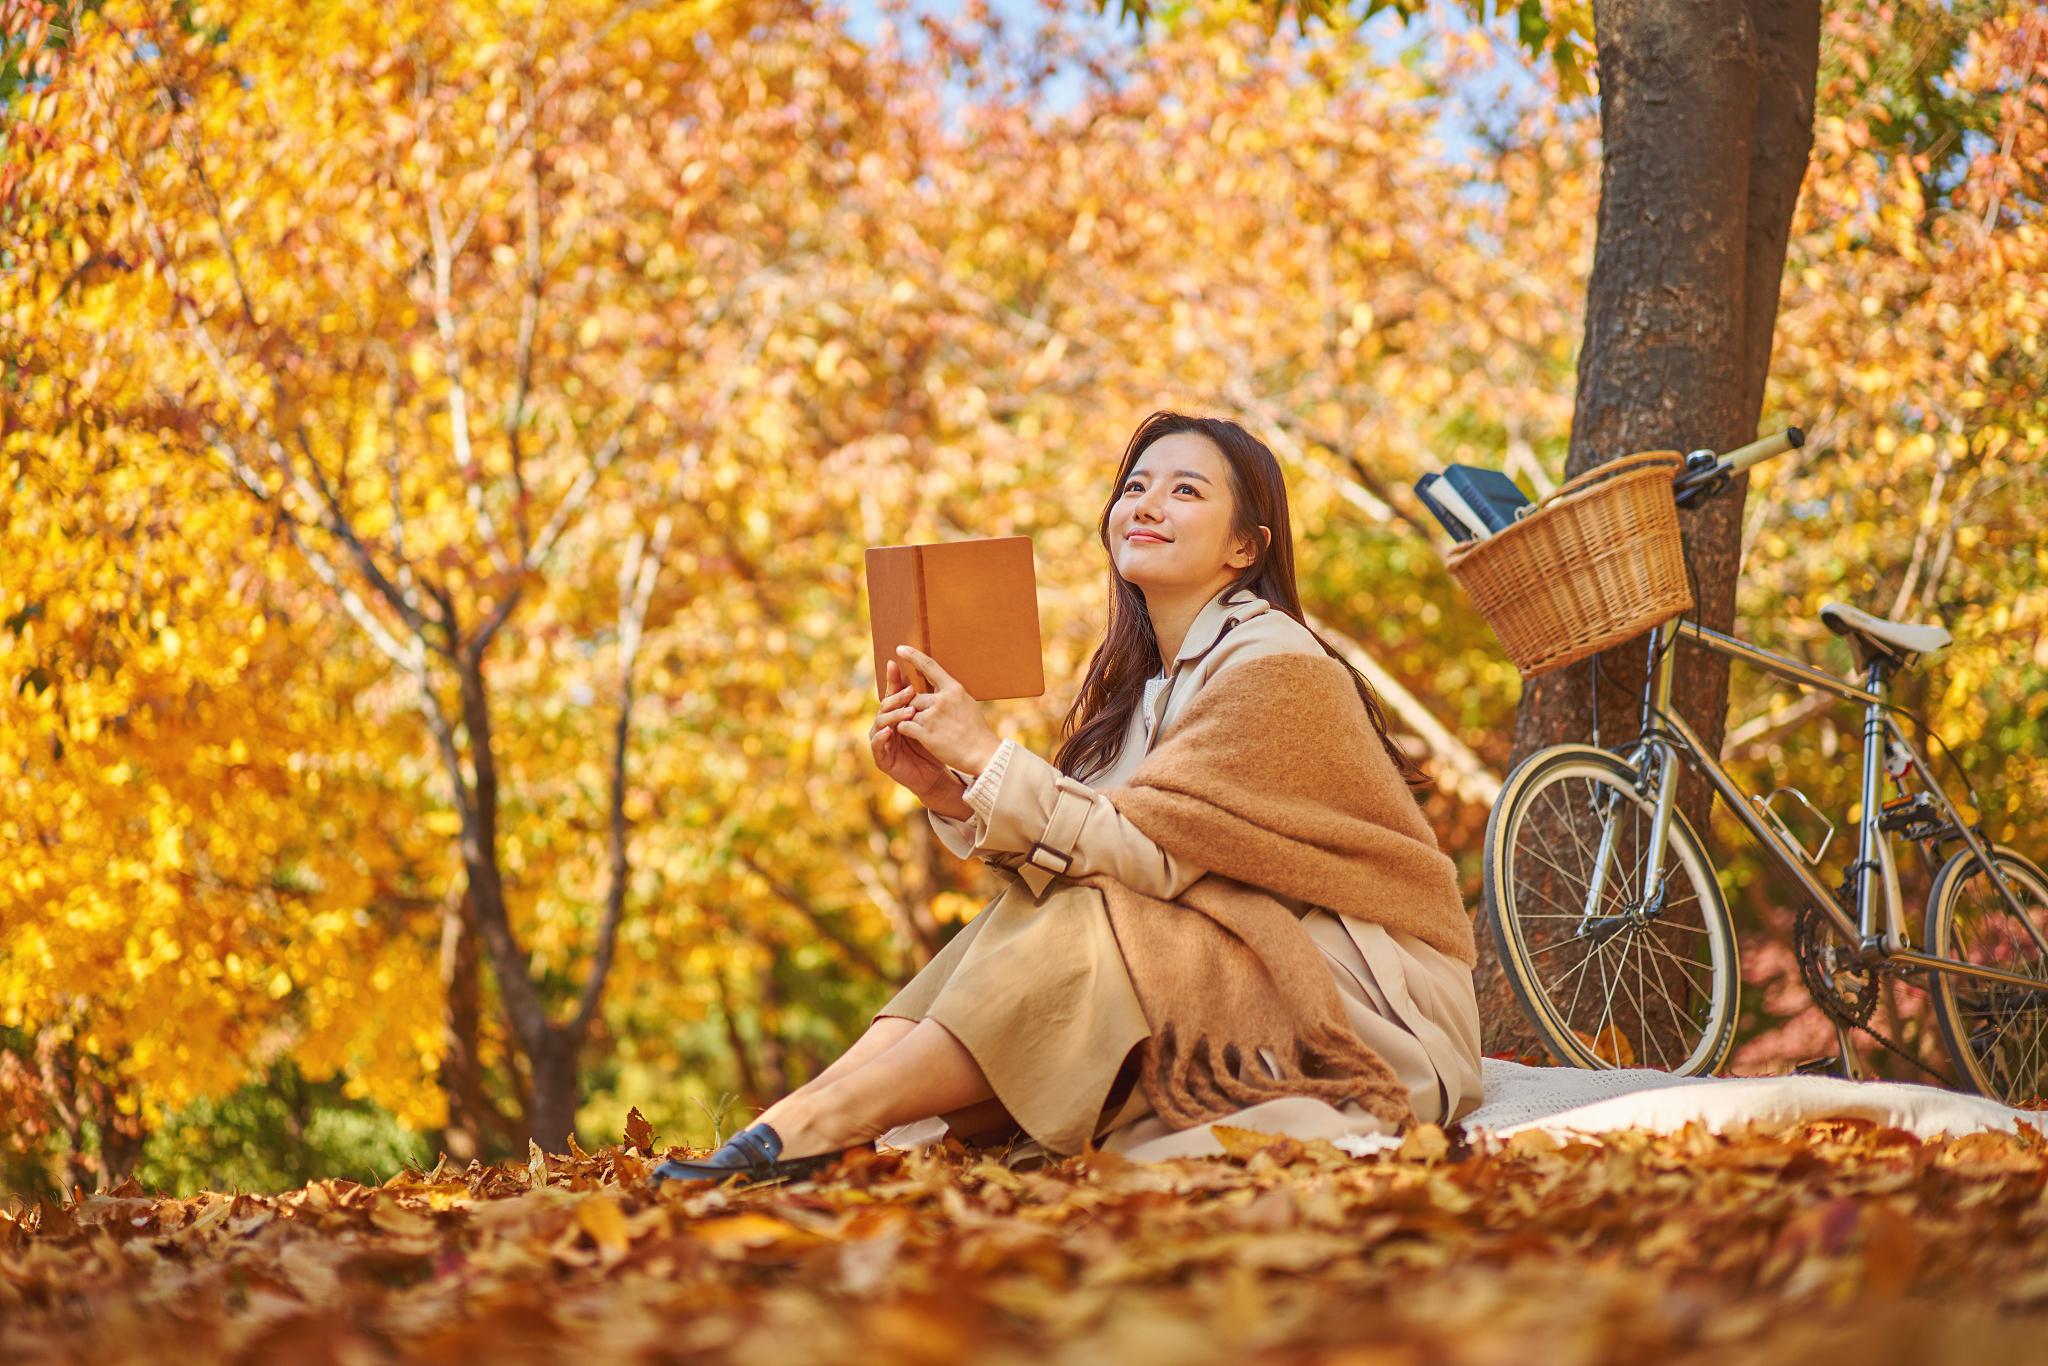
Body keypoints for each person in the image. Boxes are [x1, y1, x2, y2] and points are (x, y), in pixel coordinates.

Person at [654, 410, 1482, 1185]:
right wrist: (949, 789)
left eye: (1186, 490)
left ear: (1243, 547)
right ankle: (805, 1119)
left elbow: (1148, 858)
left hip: (1361, 995)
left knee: (1095, 916)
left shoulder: (1278, 666)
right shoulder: (1146, 687)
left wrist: (988, 753)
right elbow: (1086, 853)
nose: (1148, 504)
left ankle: (819, 1124)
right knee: (1039, 917)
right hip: (1227, 951)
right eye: (1135, 487)